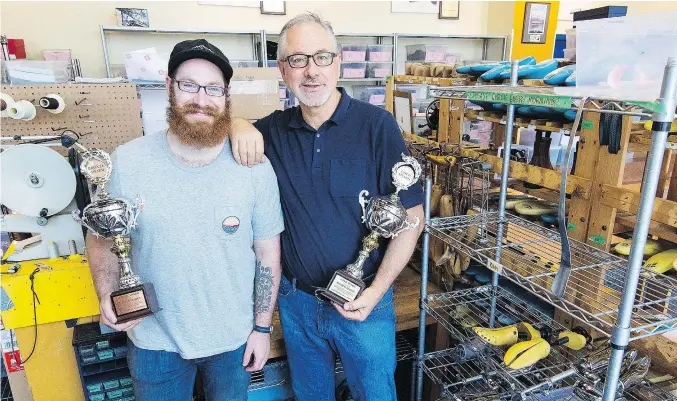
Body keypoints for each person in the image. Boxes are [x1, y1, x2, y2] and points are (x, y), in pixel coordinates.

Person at [230, 12, 424, 401]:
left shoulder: (376, 125)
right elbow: (212, 126)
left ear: (337, 63)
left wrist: (376, 291)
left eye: (322, 57)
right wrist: (235, 123)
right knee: (310, 395)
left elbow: (412, 218)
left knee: (376, 395)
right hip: (298, 303)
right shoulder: (272, 131)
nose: (311, 71)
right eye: (298, 60)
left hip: (364, 302)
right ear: (283, 69)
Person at [86, 39, 284, 401]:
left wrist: (261, 328)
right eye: (189, 85)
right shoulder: (127, 162)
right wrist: (106, 292)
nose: (201, 99)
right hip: (153, 340)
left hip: (233, 341)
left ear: (226, 97)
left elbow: (267, 254)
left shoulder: (254, 168)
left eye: (213, 89)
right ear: (168, 86)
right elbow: (102, 239)